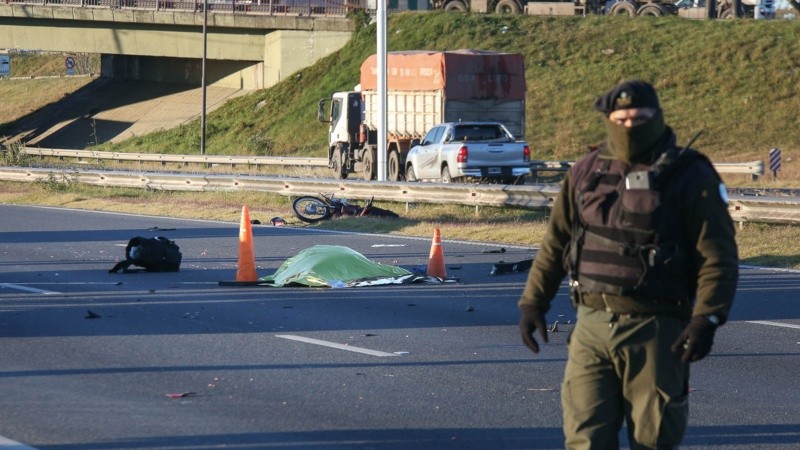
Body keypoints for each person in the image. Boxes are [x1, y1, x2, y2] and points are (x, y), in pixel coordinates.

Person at [517, 80, 739, 449]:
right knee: (585, 438)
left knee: (654, 439)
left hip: (658, 329)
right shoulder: (586, 171)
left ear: (658, 117)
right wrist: (532, 303)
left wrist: (707, 318)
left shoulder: (691, 174)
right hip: (591, 326)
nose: (630, 126)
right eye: (621, 120)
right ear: (608, 120)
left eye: (640, 118)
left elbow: (718, 256)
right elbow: (556, 243)